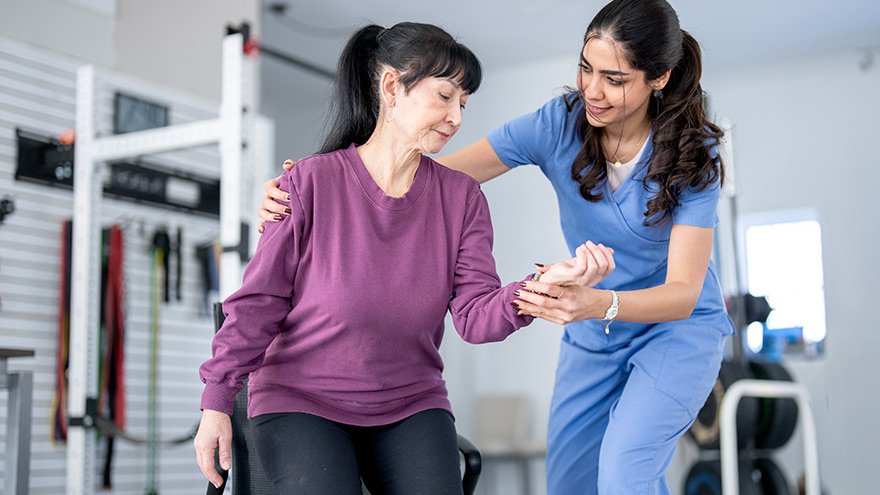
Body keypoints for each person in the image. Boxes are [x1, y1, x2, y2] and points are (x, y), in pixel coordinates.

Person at [259, 1, 734, 494]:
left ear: (657, 78)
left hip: (675, 328)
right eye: (585, 69)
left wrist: (597, 301)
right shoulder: (560, 123)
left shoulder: (694, 153)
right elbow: (434, 180)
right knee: (569, 483)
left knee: (624, 470)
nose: (592, 90)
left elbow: (682, 291)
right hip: (596, 331)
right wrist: (317, 189)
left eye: (614, 79)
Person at [194, 22, 614, 495]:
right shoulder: (308, 184)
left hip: (410, 402)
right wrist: (216, 402)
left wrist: (541, 287)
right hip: (301, 400)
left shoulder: (462, 198)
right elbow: (258, 302)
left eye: (463, 103)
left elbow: (476, 318)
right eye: (445, 96)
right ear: (392, 87)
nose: (456, 117)